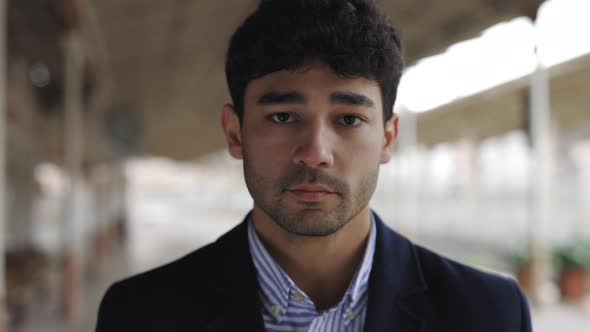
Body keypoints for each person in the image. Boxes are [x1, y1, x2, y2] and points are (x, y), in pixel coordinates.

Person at [95, 0, 532, 331]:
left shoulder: (487, 313)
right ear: (234, 133)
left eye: (348, 119)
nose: (315, 151)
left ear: (386, 137)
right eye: (283, 117)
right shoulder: (141, 314)